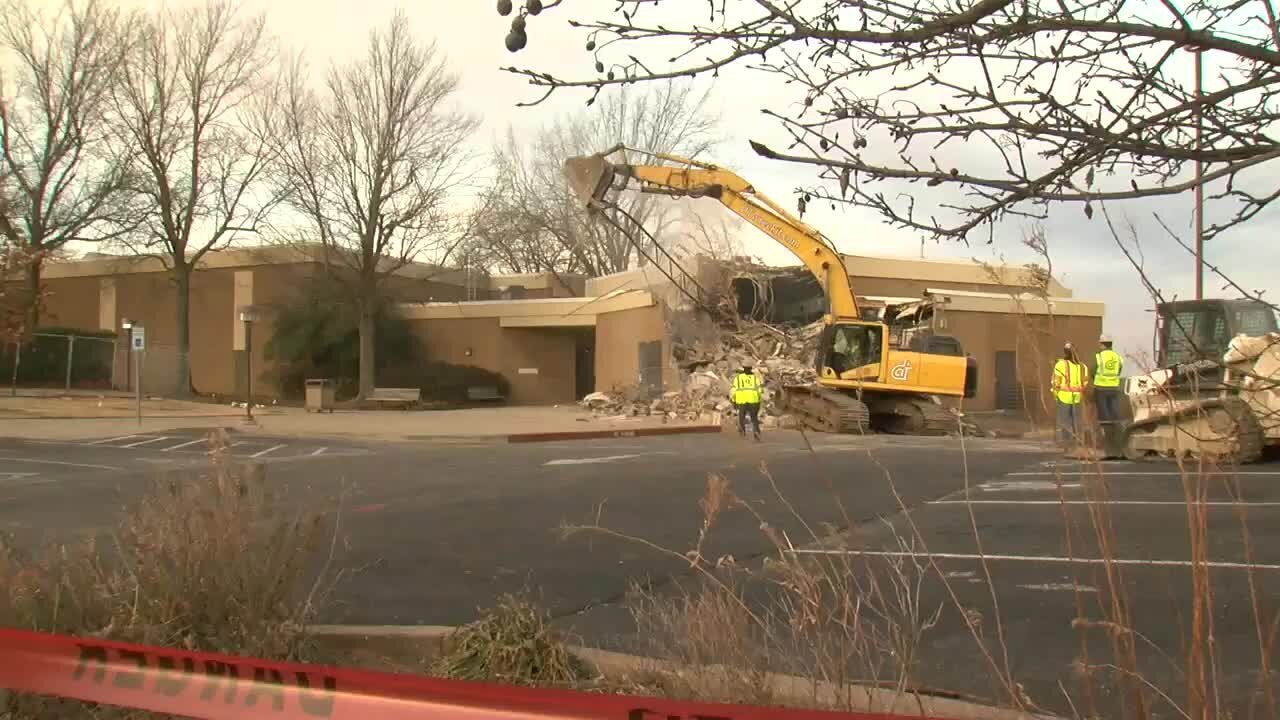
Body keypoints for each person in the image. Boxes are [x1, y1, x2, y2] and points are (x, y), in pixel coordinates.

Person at [1051, 342, 1088, 448]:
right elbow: (1085, 383)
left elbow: (1056, 382)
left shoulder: (1060, 364)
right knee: (1077, 422)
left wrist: (1055, 394)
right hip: (1077, 397)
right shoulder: (1083, 366)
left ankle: (1067, 444)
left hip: (1063, 397)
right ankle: (1078, 443)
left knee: (1064, 422)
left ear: (1065, 352)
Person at [1092, 334, 1124, 423]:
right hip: (1114, 388)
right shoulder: (1118, 357)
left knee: (1103, 413)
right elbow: (1119, 371)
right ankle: (1117, 431)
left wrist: (1097, 380)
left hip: (1101, 388)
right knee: (1115, 412)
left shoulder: (1098, 357)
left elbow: (1092, 371)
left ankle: (1106, 432)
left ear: (1102, 344)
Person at [731, 363, 763, 440]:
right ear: (750, 369)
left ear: (743, 370)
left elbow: (733, 390)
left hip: (741, 399)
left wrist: (733, 400)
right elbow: (759, 390)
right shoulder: (755, 378)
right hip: (753, 399)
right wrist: (759, 400)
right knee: (754, 416)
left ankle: (742, 430)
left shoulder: (737, 378)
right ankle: (756, 430)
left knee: (741, 415)